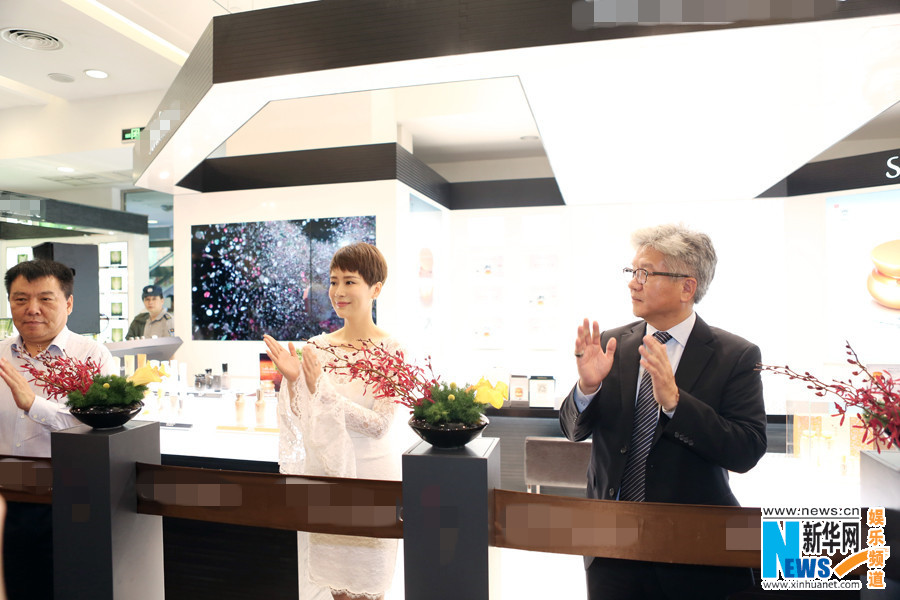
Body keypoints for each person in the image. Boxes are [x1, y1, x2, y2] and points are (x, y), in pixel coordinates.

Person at [559, 224, 767, 600]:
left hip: (691, 550)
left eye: (645, 273)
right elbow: (573, 431)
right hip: (609, 545)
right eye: (632, 272)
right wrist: (587, 389)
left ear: (687, 287)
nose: (632, 283)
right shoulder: (611, 344)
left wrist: (676, 403)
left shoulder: (736, 355)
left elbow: (746, 450)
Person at [264, 242, 403, 600]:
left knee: (371, 587)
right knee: (336, 589)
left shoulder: (391, 350)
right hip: (327, 476)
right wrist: (294, 381)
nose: (339, 291)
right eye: (333, 281)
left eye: (350, 282)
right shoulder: (317, 346)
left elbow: (379, 425)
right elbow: (305, 417)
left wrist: (322, 392)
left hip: (371, 479)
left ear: (375, 289)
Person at [0, 259, 114, 600]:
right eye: (21, 299)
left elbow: (99, 425)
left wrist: (33, 404)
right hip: (5, 497)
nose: (32, 309)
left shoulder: (92, 356)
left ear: (69, 303)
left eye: (45, 299)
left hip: (67, 497)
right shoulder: (2, 353)